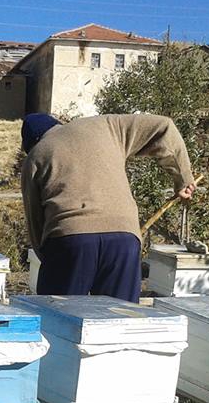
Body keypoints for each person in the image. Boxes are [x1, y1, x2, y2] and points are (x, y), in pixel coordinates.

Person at [20, 113, 197, 302]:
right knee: (119, 319)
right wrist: (183, 178)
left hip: (69, 239)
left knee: (57, 320)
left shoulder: (36, 155)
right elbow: (164, 126)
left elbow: (35, 221)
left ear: (31, 143)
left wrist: (49, 259)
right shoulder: (107, 125)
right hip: (124, 239)